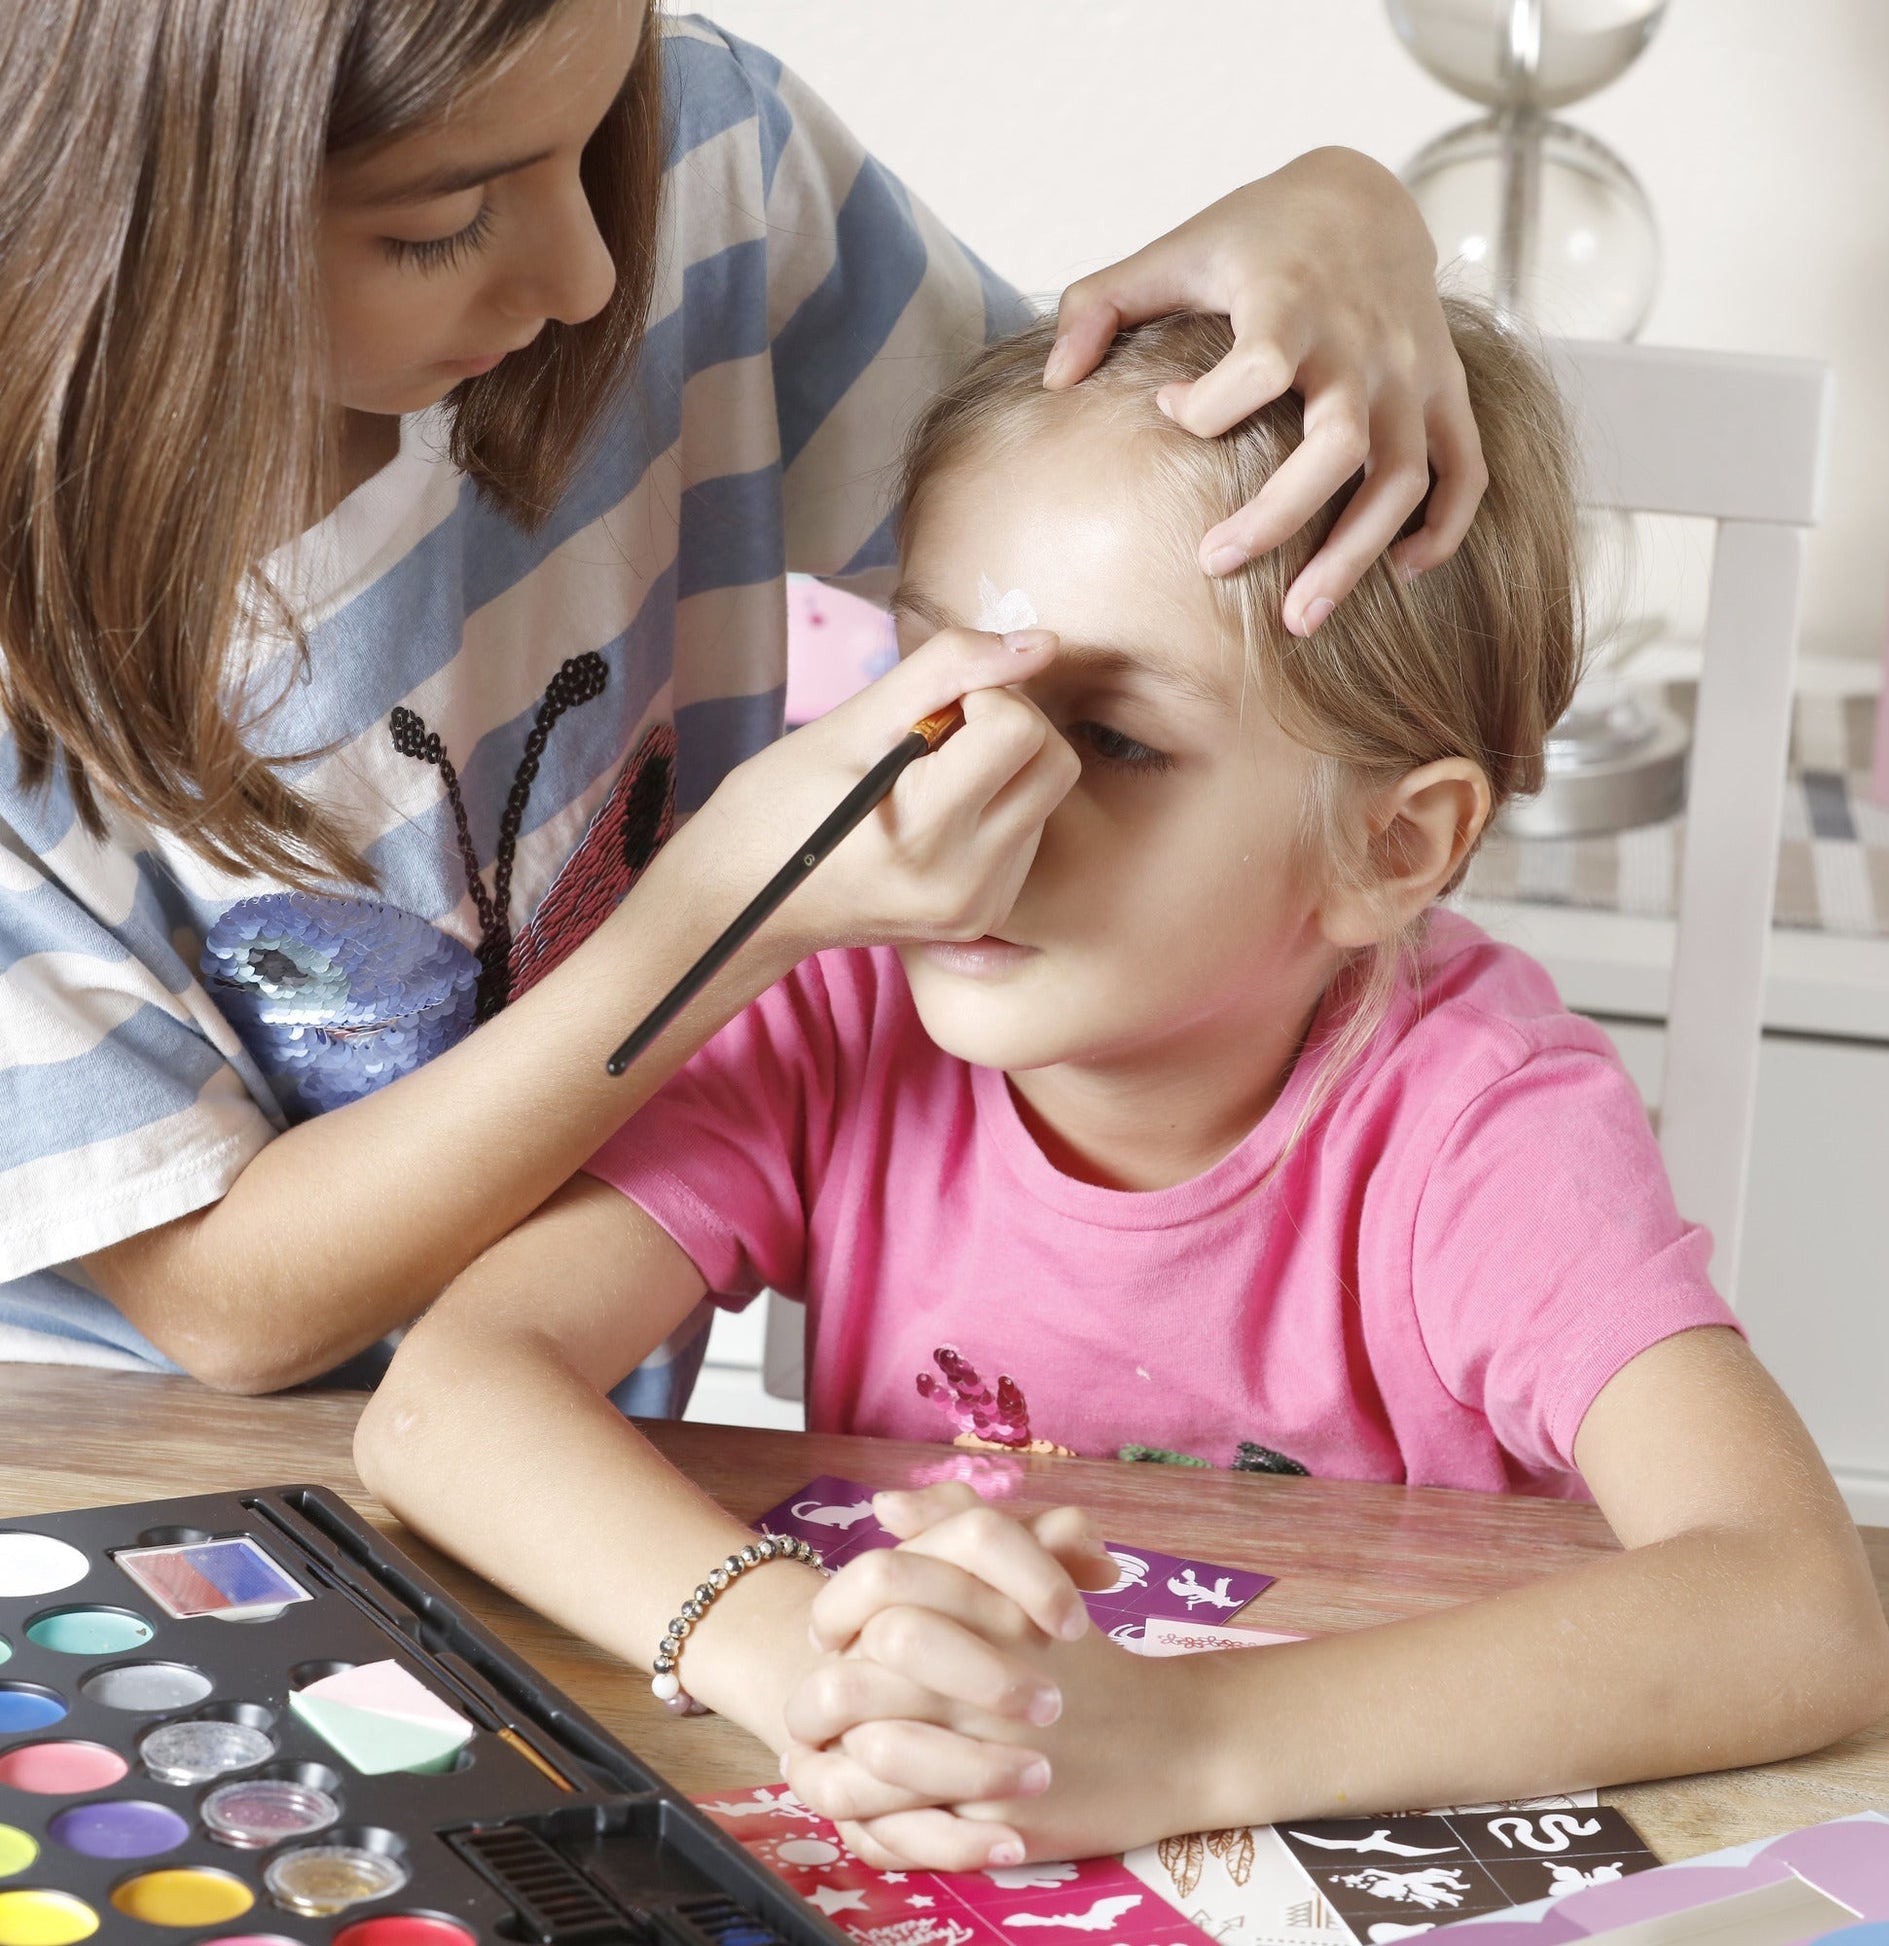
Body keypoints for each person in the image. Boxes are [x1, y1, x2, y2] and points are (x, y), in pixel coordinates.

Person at [354, 302, 1889, 1868]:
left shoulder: (1478, 1119)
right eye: (936, 685)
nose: (966, 799)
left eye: (1110, 736)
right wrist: (800, 1662)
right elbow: (442, 1406)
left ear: (1391, 846)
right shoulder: (839, 993)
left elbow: (1798, 1608)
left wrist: (1179, 1741)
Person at [0, 0, 1485, 1397]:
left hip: (548, 1442)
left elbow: (1137, 543)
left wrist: (1348, 204)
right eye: (443, 220)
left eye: (606, 132)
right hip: (124, 1486)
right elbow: (229, 1310)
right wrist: (733, 906)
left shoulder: (711, 168)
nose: (591, 276)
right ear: (133, 208)